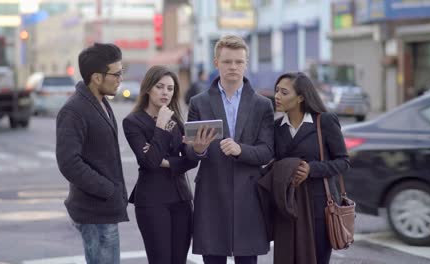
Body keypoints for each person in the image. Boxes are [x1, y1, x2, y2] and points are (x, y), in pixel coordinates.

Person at [185, 35, 274, 264]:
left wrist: (239, 149)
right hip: (212, 193)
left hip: (250, 195)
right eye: (227, 62)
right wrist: (199, 149)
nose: (233, 67)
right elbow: (190, 155)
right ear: (216, 63)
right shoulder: (199, 102)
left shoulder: (262, 105)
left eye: (238, 61)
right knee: (213, 259)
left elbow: (267, 152)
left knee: (247, 260)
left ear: (246, 63)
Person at [56, 43, 128, 264]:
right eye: (116, 74)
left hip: (105, 209)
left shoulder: (101, 103)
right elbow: (68, 162)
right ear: (97, 78)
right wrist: (107, 189)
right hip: (95, 211)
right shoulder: (74, 110)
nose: (120, 79)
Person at [123, 65, 198, 264]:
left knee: (178, 260)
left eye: (170, 88)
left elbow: (190, 161)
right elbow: (149, 162)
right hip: (152, 201)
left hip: (181, 199)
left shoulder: (176, 121)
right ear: (148, 88)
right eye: (160, 87)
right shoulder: (132, 122)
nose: (165, 92)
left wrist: (171, 160)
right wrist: (161, 127)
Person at [273, 72, 351, 264]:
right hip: (288, 205)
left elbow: (343, 161)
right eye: (276, 91)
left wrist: (311, 169)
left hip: (319, 205)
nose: (277, 96)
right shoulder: (276, 127)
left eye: (284, 92)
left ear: (300, 97)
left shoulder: (324, 121)